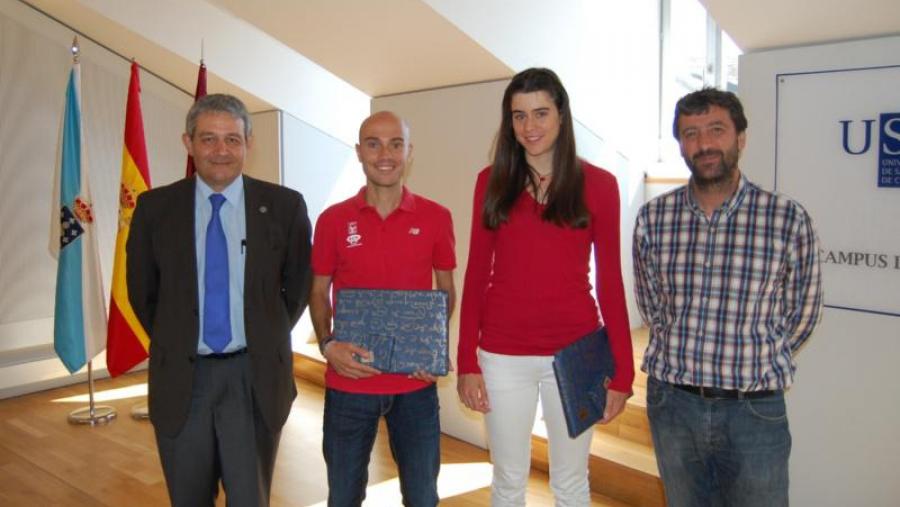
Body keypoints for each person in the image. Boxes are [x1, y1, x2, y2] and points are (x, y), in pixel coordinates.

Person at [633, 88, 824, 507]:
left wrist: (756, 354)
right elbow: (650, 303)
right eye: (691, 133)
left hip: (753, 411)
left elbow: (804, 313)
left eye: (716, 130)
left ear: (740, 137)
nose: (703, 144)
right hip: (673, 406)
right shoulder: (654, 218)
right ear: (681, 144)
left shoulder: (786, 218)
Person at [456, 67, 634, 506]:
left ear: (561, 116)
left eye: (540, 113)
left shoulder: (600, 185)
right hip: (502, 356)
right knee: (508, 478)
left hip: (574, 354)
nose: (529, 127)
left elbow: (610, 282)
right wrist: (467, 360)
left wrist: (624, 371)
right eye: (519, 116)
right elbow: (477, 274)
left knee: (571, 481)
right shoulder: (490, 182)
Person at [127, 93, 312, 507]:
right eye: (208, 139)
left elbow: (297, 289)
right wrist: (178, 336)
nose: (221, 150)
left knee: (250, 498)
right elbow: (142, 291)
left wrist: (263, 334)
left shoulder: (284, 207)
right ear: (188, 143)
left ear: (248, 142)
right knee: (188, 498)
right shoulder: (155, 208)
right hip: (182, 379)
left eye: (232, 139)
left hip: (253, 378)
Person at [309, 111, 457, 507]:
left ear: (409, 151)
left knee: (423, 497)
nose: (385, 154)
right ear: (359, 152)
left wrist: (431, 348)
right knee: (343, 497)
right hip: (348, 382)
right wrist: (328, 345)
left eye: (396, 144)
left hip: (415, 385)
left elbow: (445, 290)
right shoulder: (333, 220)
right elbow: (319, 291)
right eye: (373, 143)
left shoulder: (436, 217)